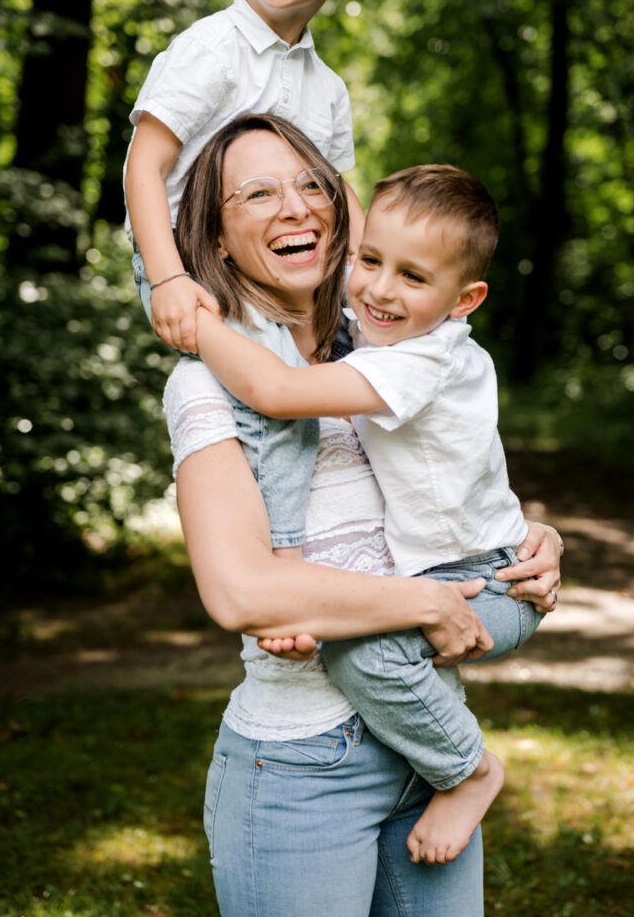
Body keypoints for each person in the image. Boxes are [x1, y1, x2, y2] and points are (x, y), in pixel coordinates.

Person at [165, 113, 563, 915]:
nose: (296, 205)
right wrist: (424, 601)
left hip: (426, 746)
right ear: (215, 236)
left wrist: (536, 538)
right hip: (304, 767)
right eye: (257, 192)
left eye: (312, 183)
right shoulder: (207, 385)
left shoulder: (389, 350)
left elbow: (450, 489)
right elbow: (242, 595)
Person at [123, 0, 371, 356]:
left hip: (281, 258)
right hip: (190, 255)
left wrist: (370, 268)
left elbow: (338, 190)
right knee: (267, 375)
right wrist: (168, 277)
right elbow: (143, 165)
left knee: (370, 342)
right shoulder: (210, 51)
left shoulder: (327, 88)